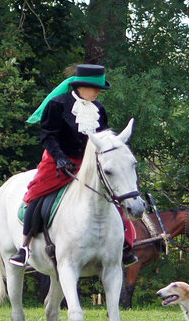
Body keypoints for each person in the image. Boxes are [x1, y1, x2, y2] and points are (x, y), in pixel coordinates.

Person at [9, 64, 138, 268]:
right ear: (81, 87)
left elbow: (103, 140)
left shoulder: (99, 109)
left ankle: (124, 246)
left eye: (99, 90)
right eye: (95, 89)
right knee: (37, 194)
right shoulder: (57, 104)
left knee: (115, 193)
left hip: (90, 163)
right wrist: (60, 157)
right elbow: (48, 136)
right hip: (58, 159)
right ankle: (25, 246)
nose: (97, 93)